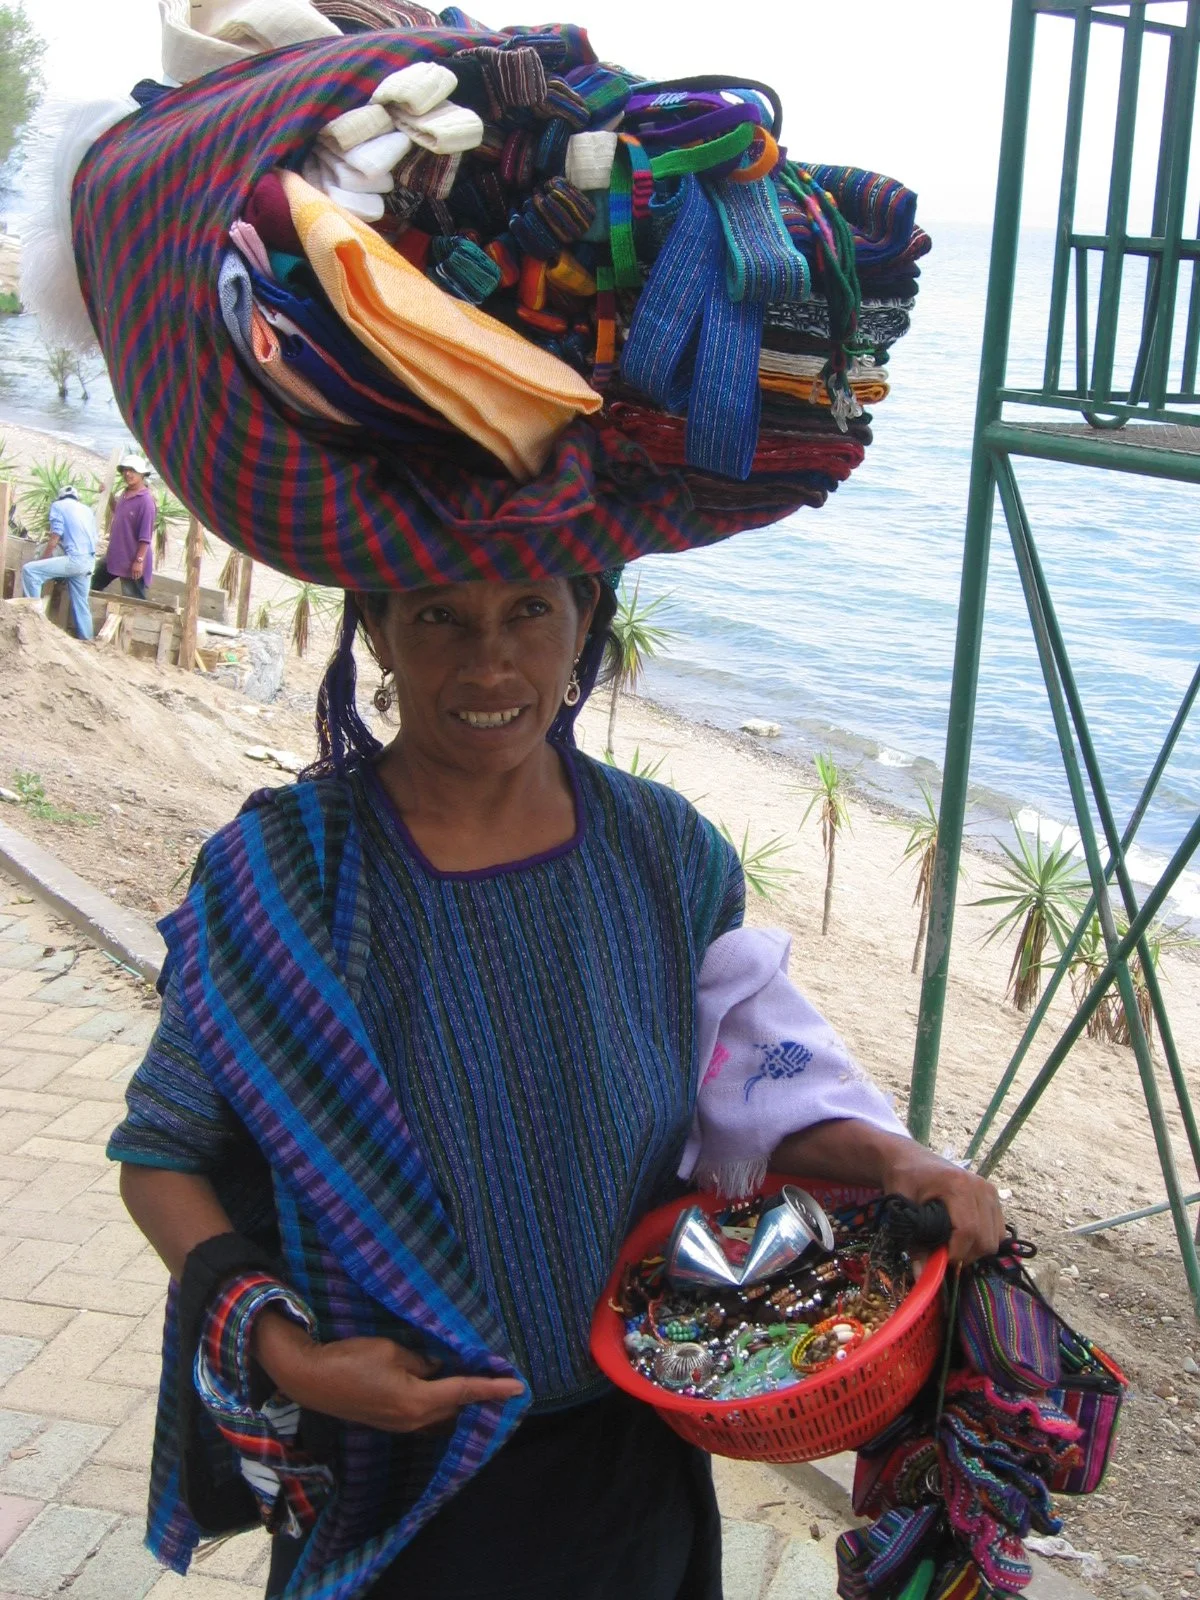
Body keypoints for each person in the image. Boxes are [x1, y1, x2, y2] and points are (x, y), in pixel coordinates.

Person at [109, 574, 1005, 1600]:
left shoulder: (666, 852)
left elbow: (745, 1092)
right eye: (438, 615)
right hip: (398, 1471)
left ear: (587, 621)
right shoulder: (285, 874)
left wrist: (903, 1160)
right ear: (378, 632)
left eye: (529, 610)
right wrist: (293, 1359)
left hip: (633, 1451)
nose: (489, 662)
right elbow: (161, 1157)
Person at [20, 484, 98, 640]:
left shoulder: (58, 506)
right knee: (81, 605)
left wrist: (44, 559)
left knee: (30, 571)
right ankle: (88, 641)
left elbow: (55, 538)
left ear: (60, 498)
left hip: (75, 560)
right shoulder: (87, 510)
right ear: (77, 498)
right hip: (89, 562)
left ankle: (34, 621)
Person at [92, 451, 155, 599]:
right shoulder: (126, 494)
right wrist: (108, 495)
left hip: (132, 558)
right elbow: (119, 512)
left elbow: (145, 537)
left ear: (142, 474)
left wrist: (138, 561)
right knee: (92, 583)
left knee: (133, 601)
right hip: (116, 554)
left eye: (132, 470)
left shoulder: (146, 502)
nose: (128, 474)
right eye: (125, 470)